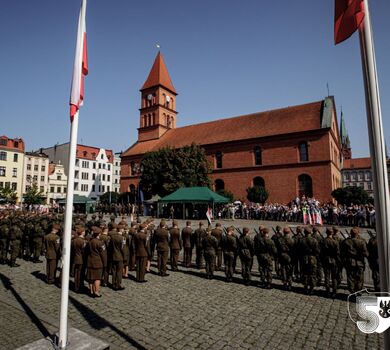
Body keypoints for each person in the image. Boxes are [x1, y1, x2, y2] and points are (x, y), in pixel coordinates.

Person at [298, 227, 320, 295]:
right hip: (312, 258)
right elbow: (317, 251)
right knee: (312, 274)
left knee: (305, 273)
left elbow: (299, 250)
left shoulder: (301, 240)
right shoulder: (314, 240)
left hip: (304, 258)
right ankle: (311, 288)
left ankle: (305, 287)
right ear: (310, 233)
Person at [86, 228, 107, 297]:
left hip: (90, 261)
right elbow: (103, 254)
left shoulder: (89, 242)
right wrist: (105, 263)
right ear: (99, 234)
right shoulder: (100, 243)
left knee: (91, 278)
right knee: (97, 278)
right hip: (98, 262)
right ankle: (97, 291)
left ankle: (91, 290)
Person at [321, 228, 340, 298]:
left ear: (326, 233)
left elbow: (321, 252)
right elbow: (338, 253)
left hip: (326, 260)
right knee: (334, 277)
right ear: (332, 233)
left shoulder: (323, 241)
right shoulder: (335, 242)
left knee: (327, 276)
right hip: (333, 260)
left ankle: (327, 291)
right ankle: (334, 291)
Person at [71, 226, 87, 293]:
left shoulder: (74, 240)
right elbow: (84, 251)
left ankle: (76, 286)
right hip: (81, 259)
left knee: (77, 273)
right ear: (82, 232)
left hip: (75, 258)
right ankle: (79, 286)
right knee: (81, 273)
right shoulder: (83, 241)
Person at [109, 225, 125, 290]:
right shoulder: (122, 238)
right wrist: (124, 256)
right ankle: (118, 284)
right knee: (119, 271)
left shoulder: (112, 237)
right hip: (120, 256)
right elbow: (123, 249)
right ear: (121, 230)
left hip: (113, 255)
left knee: (114, 270)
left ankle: (113, 283)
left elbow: (110, 247)